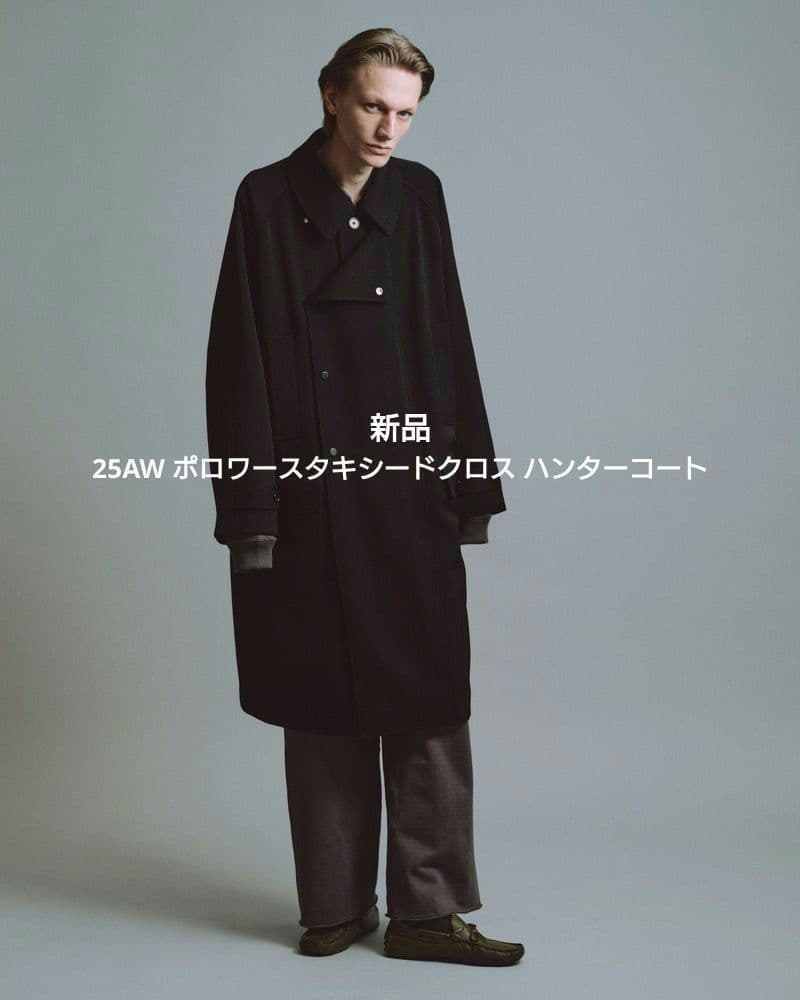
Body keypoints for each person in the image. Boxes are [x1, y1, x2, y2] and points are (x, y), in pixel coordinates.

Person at [205, 27, 523, 966]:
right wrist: (252, 509)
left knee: (427, 696)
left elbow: (445, 334)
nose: (390, 128)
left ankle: (427, 914)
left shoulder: (418, 195)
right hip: (305, 487)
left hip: (406, 478)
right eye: (375, 106)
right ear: (331, 96)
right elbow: (239, 357)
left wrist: (469, 482)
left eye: (406, 113)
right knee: (320, 697)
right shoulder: (266, 198)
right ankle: (334, 906)